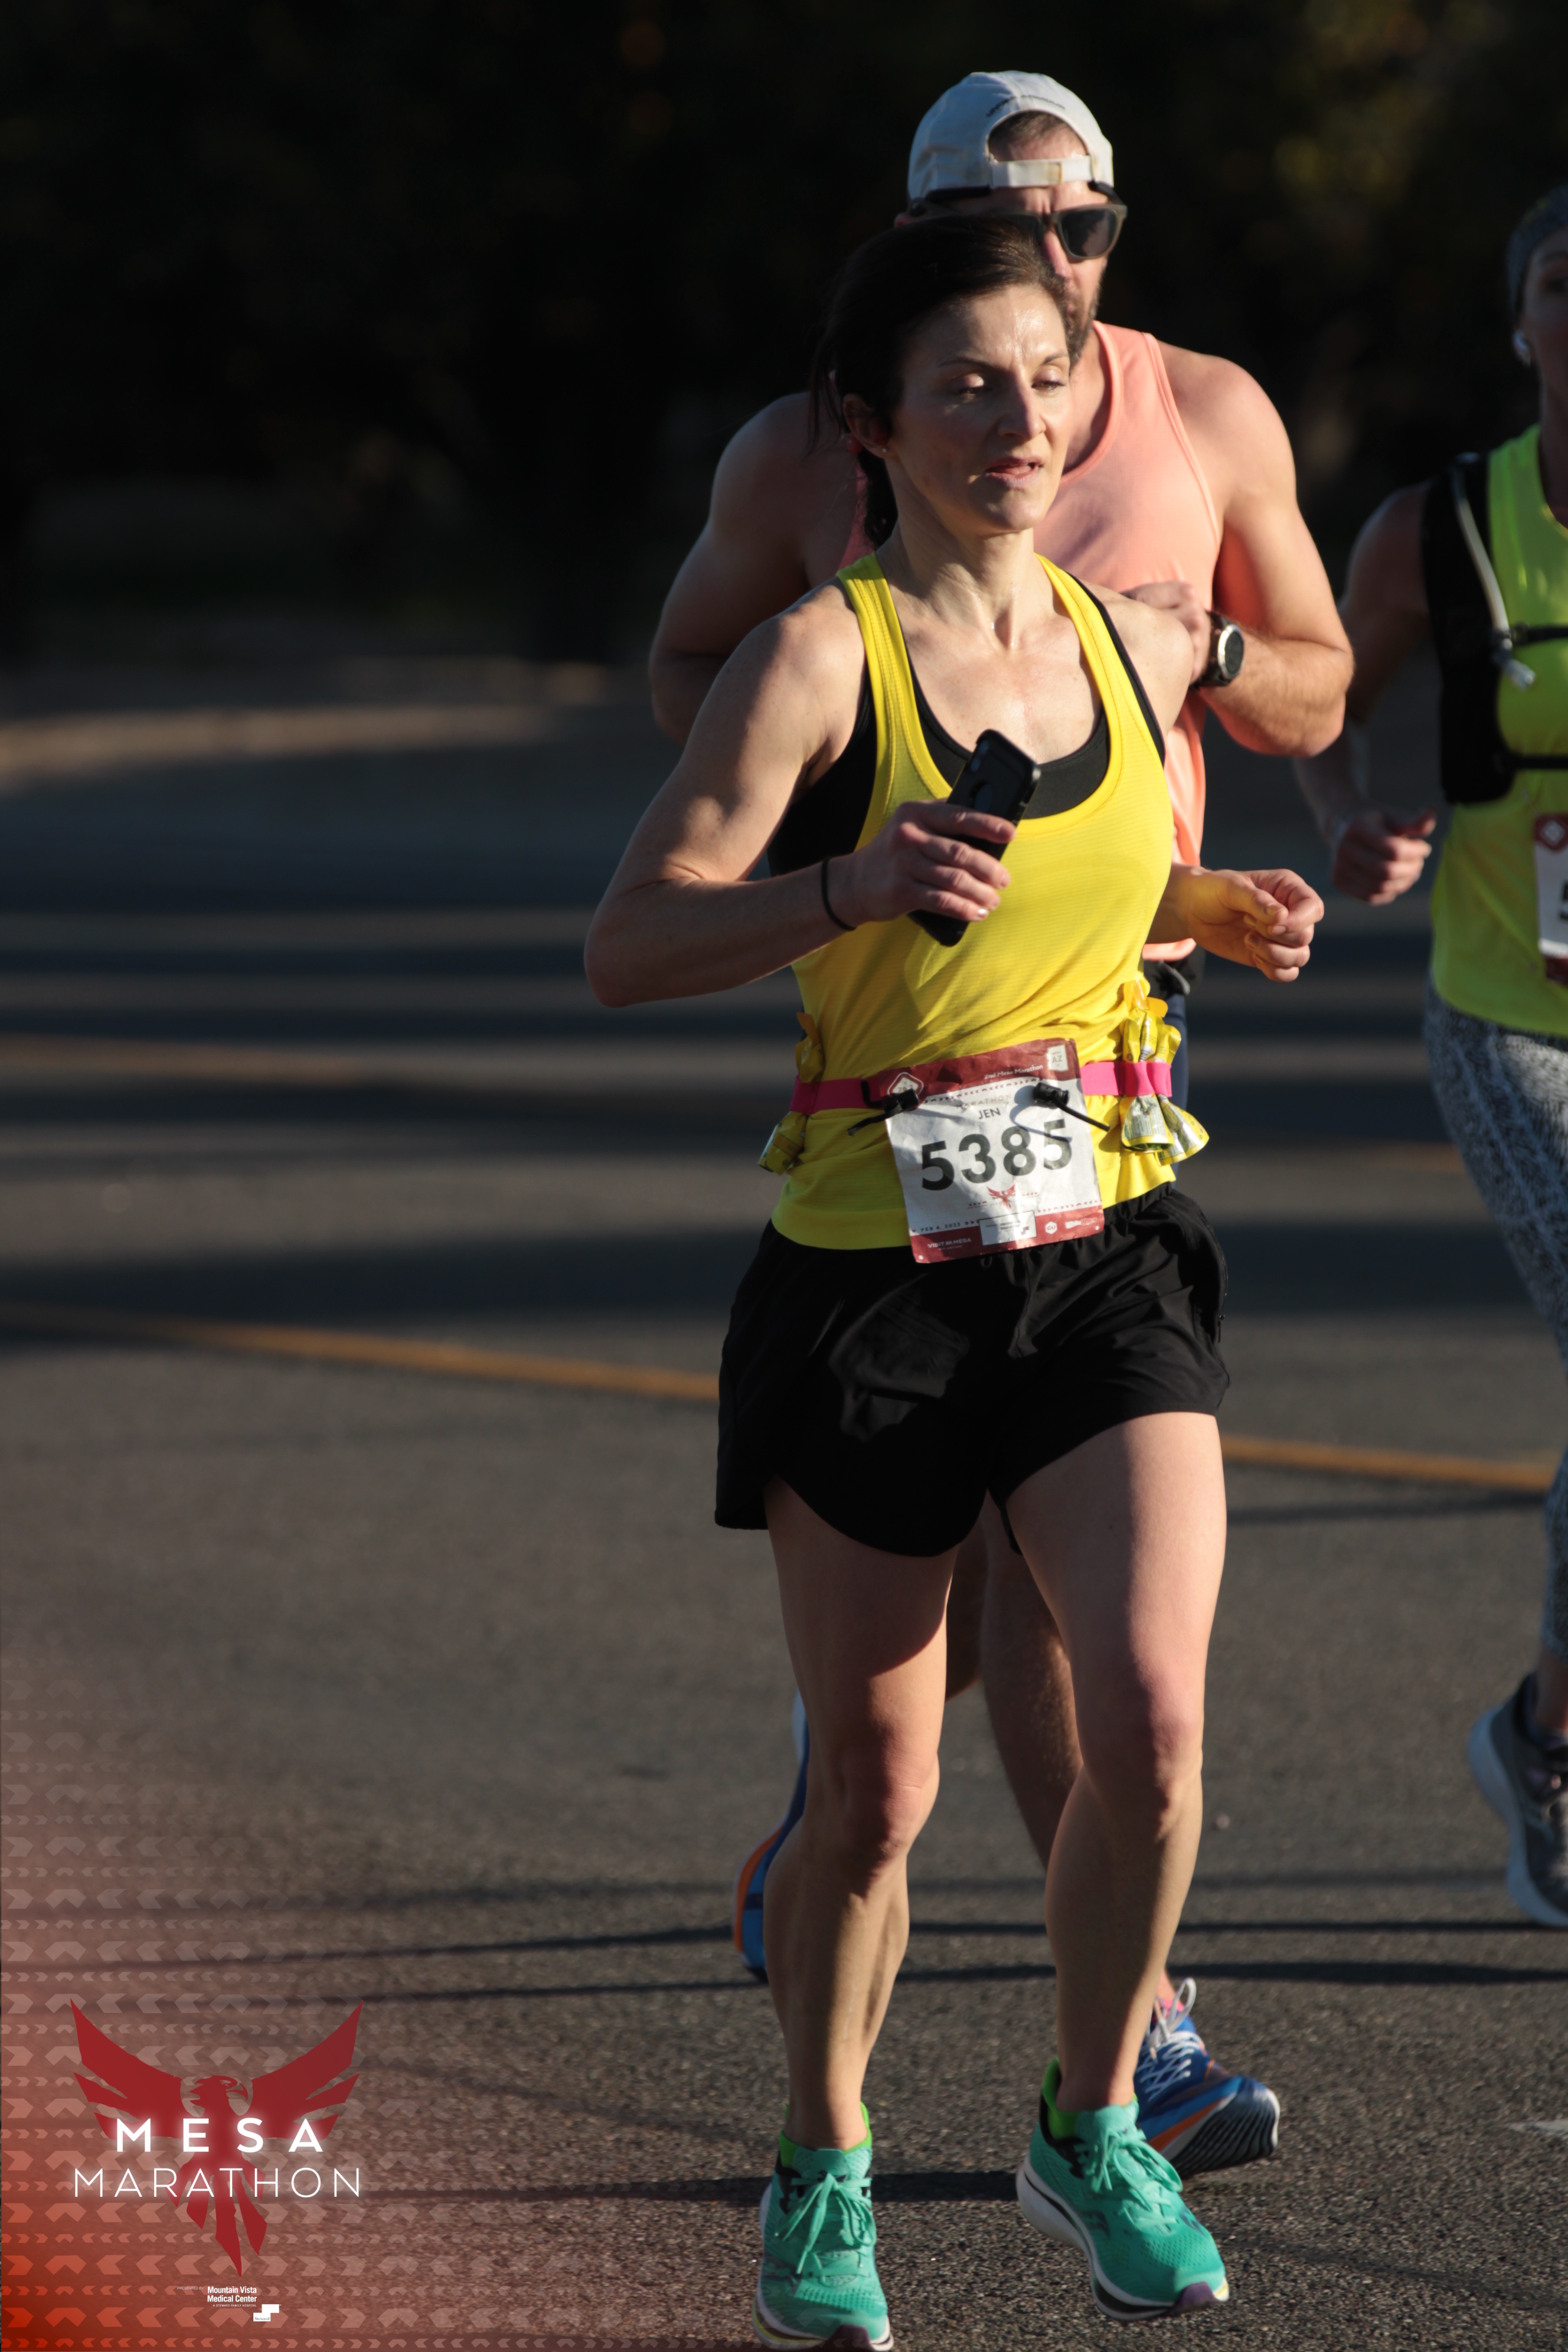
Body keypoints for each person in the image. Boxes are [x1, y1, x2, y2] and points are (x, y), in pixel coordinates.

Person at [590, 212, 1322, 2341]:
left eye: (1045, 378)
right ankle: (823, 2164)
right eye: (968, 385)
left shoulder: (1126, 641)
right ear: (874, 424)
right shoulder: (817, 662)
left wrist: (1209, 901)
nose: (1017, 419)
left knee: (1154, 1729)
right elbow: (630, 941)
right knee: (877, 1794)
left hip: (1106, 1246)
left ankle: (1091, 2123)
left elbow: (1084, 885)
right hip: (871, 1279)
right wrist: (840, 884)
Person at [1294, 187, 1568, 1929]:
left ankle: (1543, 1731)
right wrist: (1351, 816)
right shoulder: (1447, 529)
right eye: (1565, 282)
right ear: (1523, 323)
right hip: (1510, 1014)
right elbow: (1314, 697)